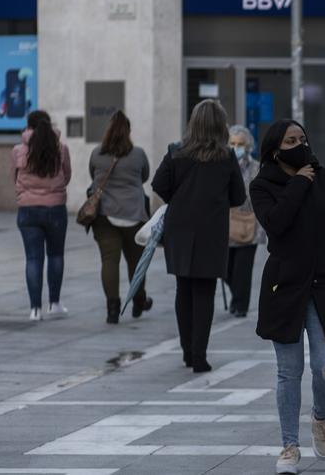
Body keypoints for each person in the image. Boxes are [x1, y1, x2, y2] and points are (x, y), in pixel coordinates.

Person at [250, 119, 325, 474]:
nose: (300, 144)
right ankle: (289, 446)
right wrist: (297, 184)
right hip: (285, 285)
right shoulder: (263, 185)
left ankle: (321, 417)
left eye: (303, 138)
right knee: (289, 370)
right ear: (275, 149)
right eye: (291, 140)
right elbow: (276, 224)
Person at [151, 99, 246, 373]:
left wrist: (180, 200)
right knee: (205, 292)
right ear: (220, 125)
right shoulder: (226, 157)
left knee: (184, 289)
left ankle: (187, 351)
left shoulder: (176, 152)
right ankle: (200, 355)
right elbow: (238, 196)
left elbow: (158, 185)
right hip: (211, 232)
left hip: (179, 230)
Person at [88, 111, 152, 324]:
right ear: (128, 131)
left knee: (109, 262)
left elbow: (92, 176)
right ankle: (138, 300)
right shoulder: (139, 155)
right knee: (136, 264)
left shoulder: (97, 154)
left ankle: (112, 310)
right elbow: (145, 176)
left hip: (105, 216)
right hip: (134, 215)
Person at [12, 110, 72, 322]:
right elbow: (67, 176)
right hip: (55, 209)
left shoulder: (18, 150)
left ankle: (34, 309)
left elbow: (14, 177)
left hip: (28, 210)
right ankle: (54, 303)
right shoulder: (61, 149)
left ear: (28, 127)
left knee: (33, 258)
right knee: (55, 255)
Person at [226, 125, 265, 318]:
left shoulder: (256, 167)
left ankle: (241, 305)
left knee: (243, 268)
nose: (236, 147)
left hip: (249, 223)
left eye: (240, 144)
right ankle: (236, 297)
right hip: (225, 223)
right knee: (226, 268)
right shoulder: (222, 165)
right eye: (232, 143)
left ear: (248, 146)